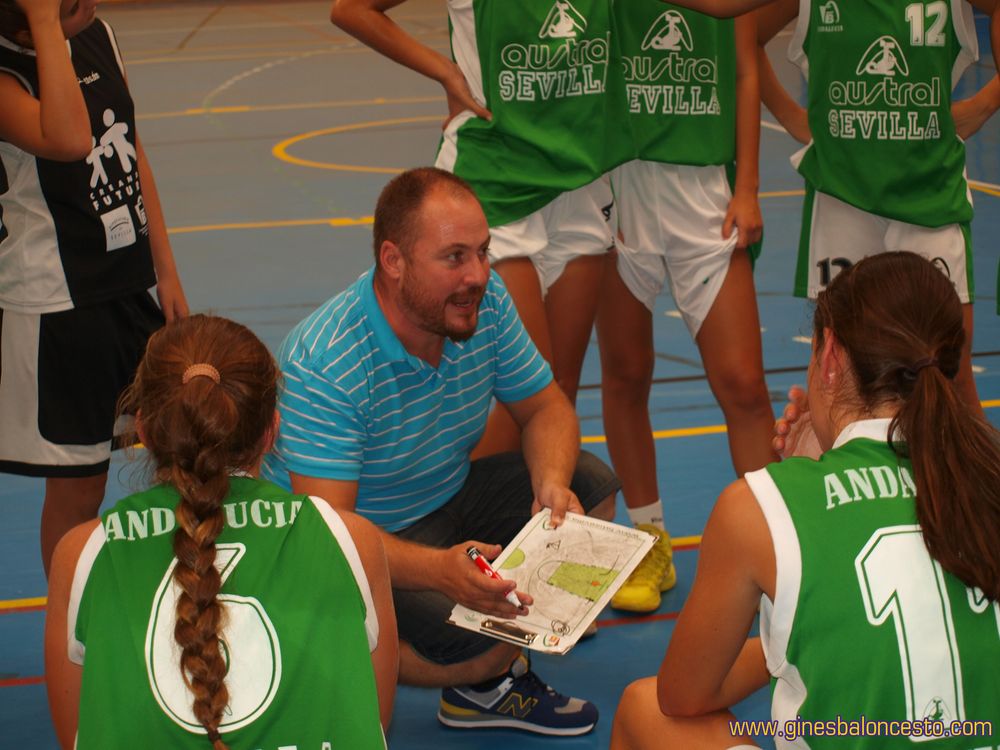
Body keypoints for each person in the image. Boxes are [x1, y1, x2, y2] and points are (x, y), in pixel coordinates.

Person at [262, 167, 620, 736]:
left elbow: (548, 409)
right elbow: (329, 533)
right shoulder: (327, 360)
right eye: (454, 257)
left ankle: (486, 670)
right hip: (349, 543)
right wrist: (441, 573)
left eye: (483, 251)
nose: (478, 275)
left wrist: (551, 485)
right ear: (393, 261)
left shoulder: (486, 304)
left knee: (591, 489)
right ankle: (347, 645)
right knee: (478, 643)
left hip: (446, 500)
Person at [610, 251, 1000, 749]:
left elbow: (683, 696)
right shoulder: (985, 473)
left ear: (830, 356)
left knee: (644, 709)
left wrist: (800, 486)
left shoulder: (757, 507)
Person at [45, 315, 397, 750]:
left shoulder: (83, 553)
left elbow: (77, 736)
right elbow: (372, 718)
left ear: (144, 431)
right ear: (272, 432)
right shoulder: (351, 541)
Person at [328, 0, 631, 457]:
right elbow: (351, 9)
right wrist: (447, 72)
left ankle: (528, 520)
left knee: (557, 392)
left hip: (577, 182)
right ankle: (453, 508)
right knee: (526, 395)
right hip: (494, 184)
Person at [0, 0, 188, 575]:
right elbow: (67, 137)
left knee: (184, 446)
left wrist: (166, 269)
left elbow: (132, 149)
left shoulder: (100, 35)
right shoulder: (8, 71)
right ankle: (68, 625)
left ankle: (181, 591)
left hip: (126, 287)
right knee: (80, 490)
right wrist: (45, 27)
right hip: (59, 300)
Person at [601, 0, 776, 613]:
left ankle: (777, 542)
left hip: (707, 194)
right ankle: (648, 538)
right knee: (625, 375)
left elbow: (747, 68)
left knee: (746, 386)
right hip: (623, 186)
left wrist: (749, 186)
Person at [749, 0, 999, 416]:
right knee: (837, 376)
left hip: (929, 199)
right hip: (842, 201)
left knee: (948, 376)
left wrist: (985, 103)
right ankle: (843, 481)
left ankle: (972, 483)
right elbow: (744, 34)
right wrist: (791, 115)